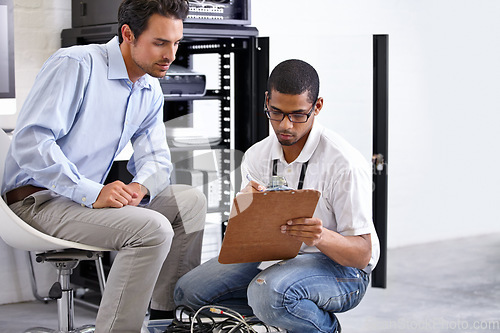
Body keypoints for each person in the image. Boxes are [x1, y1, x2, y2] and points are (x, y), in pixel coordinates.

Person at [1, 0, 206, 332]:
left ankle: (166, 321)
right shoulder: (76, 64)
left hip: (82, 203)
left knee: (189, 202)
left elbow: (156, 159)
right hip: (36, 202)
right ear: (128, 34)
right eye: (159, 42)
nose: (171, 54)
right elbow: (31, 144)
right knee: (152, 230)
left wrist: (141, 186)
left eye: (176, 43)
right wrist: (92, 191)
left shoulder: (149, 88)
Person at [173, 59, 380, 333]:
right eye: (276, 112)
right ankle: (279, 306)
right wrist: (244, 209)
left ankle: (319, 326)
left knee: (269, 294)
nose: (286, 125)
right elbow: (246, 237)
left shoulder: (345, 164)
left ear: (317, 107)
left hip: (345, 271)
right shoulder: (258, 155)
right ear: (267, 101)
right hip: (279, 257)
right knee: (188, 293)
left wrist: (320, 236)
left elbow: (361, 256)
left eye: (298, 115)